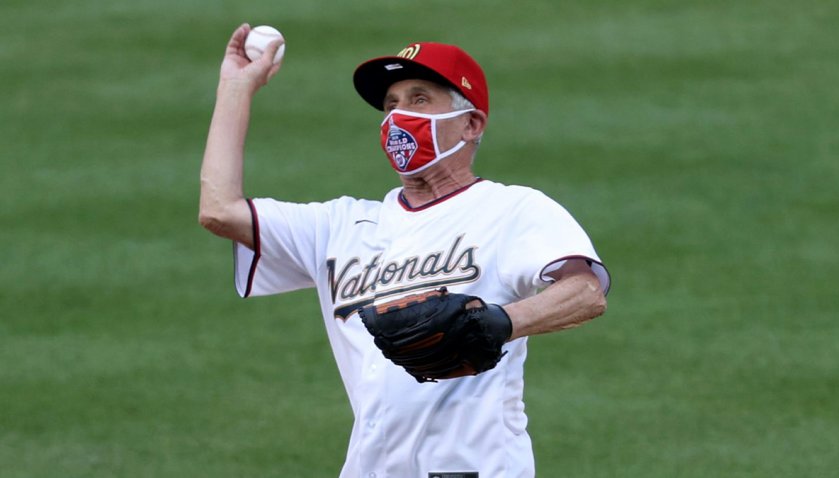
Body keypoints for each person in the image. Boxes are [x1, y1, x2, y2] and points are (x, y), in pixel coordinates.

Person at [199, 23, 611, 478]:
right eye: (390, 104)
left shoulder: (511, 209)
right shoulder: (339, 225)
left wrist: (502, 322)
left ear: (471, 124)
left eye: (418, 99)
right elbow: (219, 210)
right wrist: (235, 86)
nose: (397, 117)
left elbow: (585, 292)